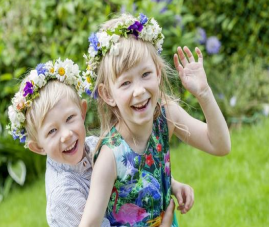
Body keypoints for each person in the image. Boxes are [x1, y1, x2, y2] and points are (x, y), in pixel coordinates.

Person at [79, 13, 230, 227]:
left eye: (146, 74)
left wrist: (204, 93)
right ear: (107, 94)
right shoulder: (110, 156)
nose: (139, 91)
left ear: (158, 74)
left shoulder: (166, 116)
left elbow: (221, 145)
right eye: (125, 83)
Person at [7, 58, 192, 227]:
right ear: (38, 146)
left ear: (82, 112)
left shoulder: (96, 144)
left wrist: (172, 184)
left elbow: (134, 173)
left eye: (70, 118)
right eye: (52, 131)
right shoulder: (64, 196)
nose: (66, 135)